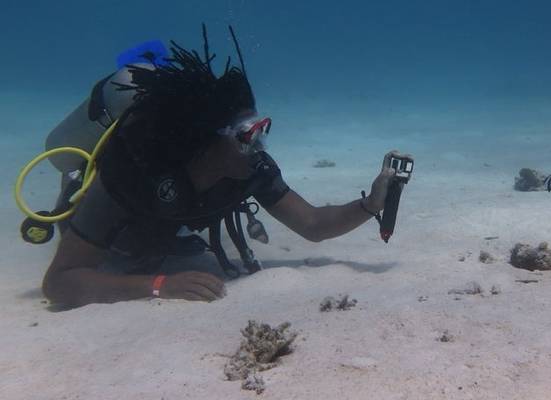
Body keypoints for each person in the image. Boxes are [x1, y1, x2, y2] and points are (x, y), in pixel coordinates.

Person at [39, 27, 413, 307]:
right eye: (247, 135)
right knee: (124, 246)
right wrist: (159, 285)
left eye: (262, 129)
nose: (259, 146)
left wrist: (370, 205)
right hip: (120, 231)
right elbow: (59, 282)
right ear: (208, 142)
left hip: (164, 224)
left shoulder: (250, 169)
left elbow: (313, 224)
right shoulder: (134, 172)